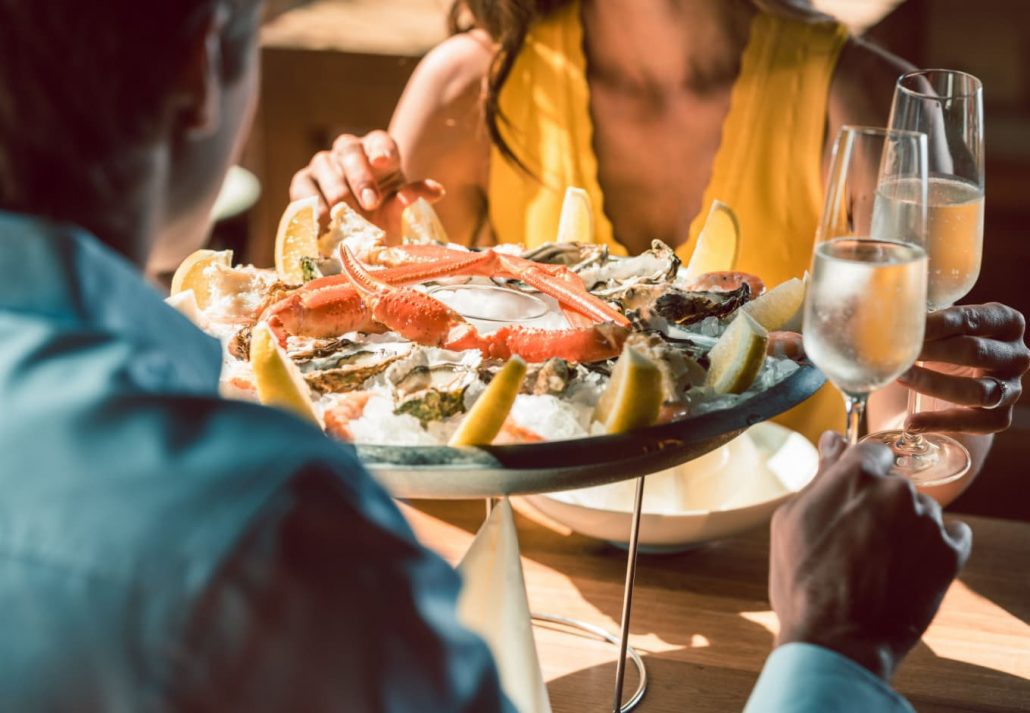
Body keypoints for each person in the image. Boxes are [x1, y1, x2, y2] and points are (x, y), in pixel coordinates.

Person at [0, 0, 984, 710]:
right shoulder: (273, 527)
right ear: (197, 69)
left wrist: (943, 418)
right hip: (597, 608)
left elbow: (903, 430)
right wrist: (836, 657)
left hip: (725, 588)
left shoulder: (851, 93)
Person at [291, 0, 1030, 506]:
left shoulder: (866, 97)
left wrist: (953, 395)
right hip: (531, 564)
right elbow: (380, 400)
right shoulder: (470, 85)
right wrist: (344, 235)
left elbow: (916, 456)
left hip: (774, 574)